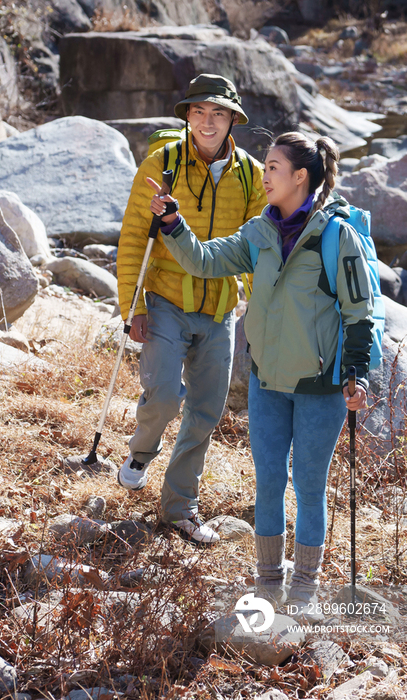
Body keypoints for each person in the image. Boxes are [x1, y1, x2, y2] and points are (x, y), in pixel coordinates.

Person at [148, 131, 373, 614]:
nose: (264, 175)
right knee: (269, 482)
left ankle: (306, 591)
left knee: (310, 486)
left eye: (272, 167)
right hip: (268, 384)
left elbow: (360, 313)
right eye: (265, 166)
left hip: (321, 388)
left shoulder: (338, 237)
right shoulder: (259, 232)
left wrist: (357, 376)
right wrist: (173, 223)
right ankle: (269, 585)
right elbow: (206, 261)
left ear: (300, 176)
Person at [116, 74, 266, 545]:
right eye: (199, 111)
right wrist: (132, 305)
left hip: (220, 308)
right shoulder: (161, 164)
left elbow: (260, 246)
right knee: (162, 394)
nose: (207, 121)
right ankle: (142, 452)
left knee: (204, 411)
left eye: (218, 113)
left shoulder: (251, 175)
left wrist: (259, 311)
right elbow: (133, 238)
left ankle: (179, 507)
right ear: (187, 116)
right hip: (164, 301)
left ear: (232, 121)